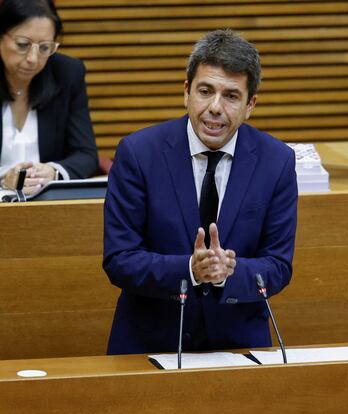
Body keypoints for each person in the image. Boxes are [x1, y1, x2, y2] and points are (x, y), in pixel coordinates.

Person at [103, 29, 298, 354]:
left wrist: (228, 273)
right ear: (186, 92)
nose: (215, 107)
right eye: (205, 91)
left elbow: (278, 265)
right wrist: (190, 270)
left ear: (250, 105)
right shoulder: (138, 153)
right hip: (150, 343)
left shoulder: (276, 161)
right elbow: (120, 259)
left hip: (238, 345)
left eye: (231, 96)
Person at [0, 0, 98, 195]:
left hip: (46, 203)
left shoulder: (67, 74)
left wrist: (52, 171)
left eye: (44, 48)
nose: (33, 59)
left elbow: (86, 154)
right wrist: (4, 178)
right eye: (22, 45)